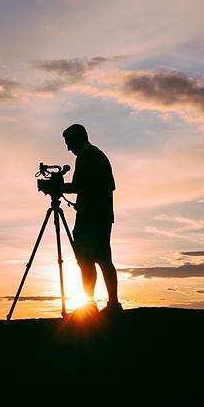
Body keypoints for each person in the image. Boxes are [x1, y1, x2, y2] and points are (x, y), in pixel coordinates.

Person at [61, 123, 121, 315]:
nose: (69, 148)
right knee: (103, 259)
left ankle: (91, 306)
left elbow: (81, 186)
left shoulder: (87, 156)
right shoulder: (96, 154)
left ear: (79, 139)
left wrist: (58, 188)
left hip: (91, 218)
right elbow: (110, 185)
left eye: (69, 143)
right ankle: (110, 304)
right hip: (100, 216)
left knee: (87, 260)